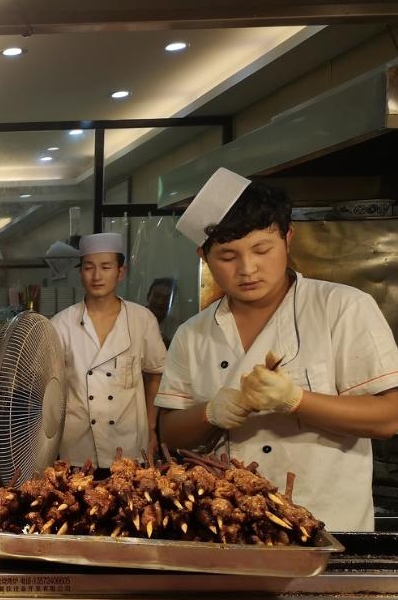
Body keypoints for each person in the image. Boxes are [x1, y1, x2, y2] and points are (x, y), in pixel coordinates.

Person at [156, 168, 398, 531]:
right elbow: (169, 432)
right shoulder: (193, 333)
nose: (247, 268)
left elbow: (388, 418)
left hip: (325, 524)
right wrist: (211, 412)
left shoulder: (342, 307)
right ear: (203, 256)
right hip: (227, 526)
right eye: (227, 256)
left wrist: (295, 401)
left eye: (262, 249)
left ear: (288, 238)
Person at [50, 232, 167, 472]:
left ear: (120, 272)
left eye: (106, 267)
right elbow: (50, 387)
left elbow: (155, 374)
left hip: (130, 445)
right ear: (80, 272)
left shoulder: (142, 319)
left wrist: (151, 428)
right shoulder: (60, 324)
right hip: (77, 451)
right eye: (88, 267)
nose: (97, 276)